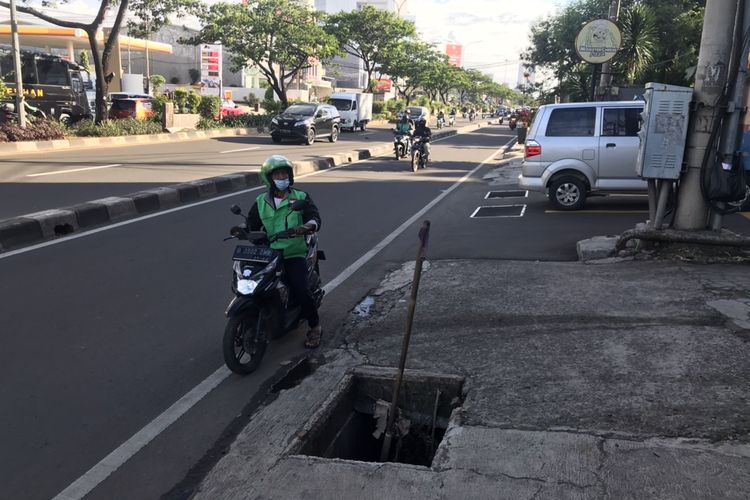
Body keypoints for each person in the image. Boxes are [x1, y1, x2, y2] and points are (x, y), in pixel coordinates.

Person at [248, 155, 323, 349]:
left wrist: (307, 226)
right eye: (278, 174)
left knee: (301, 290)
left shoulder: (300, 197)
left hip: (293, 253)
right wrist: (240, 230)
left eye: (285, 173)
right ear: (269, 178)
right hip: (269, 254)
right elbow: (251, 224)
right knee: (252, 283)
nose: (282, 177)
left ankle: (315, 327)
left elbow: (314, 217)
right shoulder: (261, 201)